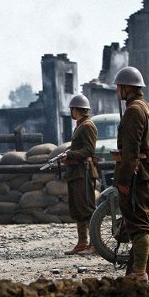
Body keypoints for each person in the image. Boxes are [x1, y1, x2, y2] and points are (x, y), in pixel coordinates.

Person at [113, 66, 149, 281]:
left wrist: (123, 179)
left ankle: (139, 272)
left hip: (137, 174)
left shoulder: (134, 110)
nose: (117, 91)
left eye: (118, 87)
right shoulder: (146, 108)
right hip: (148, 173)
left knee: (138, 223)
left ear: (126, 87)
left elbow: (132, 149)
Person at [61, 94, 99, 255]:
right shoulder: (80, 125)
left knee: (87, 208)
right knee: (78, 207)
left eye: (72, 109)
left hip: (84, 172)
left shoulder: (87, 126)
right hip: (77, 172)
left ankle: (94, 243)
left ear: (75, 110)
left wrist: (70, 155)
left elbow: (89, 150)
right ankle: (82, 242)